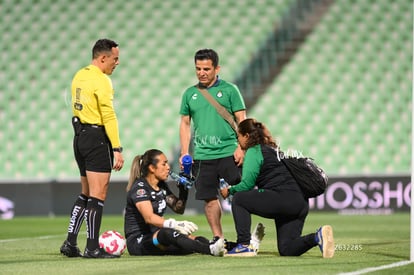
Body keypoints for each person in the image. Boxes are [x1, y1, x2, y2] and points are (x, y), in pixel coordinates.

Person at [220, 118, 335, 258]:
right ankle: (317, 237)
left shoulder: (254, 151)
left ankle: (243, 245)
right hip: (299, 203)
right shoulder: (273, 149)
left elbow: (247, 185)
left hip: (282, 198)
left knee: (239, 199)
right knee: (287, 249)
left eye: (238, 136)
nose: (238, 141)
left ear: (247, 136)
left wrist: (229, 190)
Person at [60, 38, 125, 258]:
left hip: (79, 136)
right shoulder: (102, 81)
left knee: (85, 194)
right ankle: (92, 247)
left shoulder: (80, 75)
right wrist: (116, 148)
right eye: (115, 59)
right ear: (103, 57)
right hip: (96, 137)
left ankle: (70, 243)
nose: (117, 63)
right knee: (98, 195)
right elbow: (108, 115)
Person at [179, 48, 246, 241]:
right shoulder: (189, 94)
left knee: (240, 196)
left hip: (229, 152)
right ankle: (219, 239)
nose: (202, 72)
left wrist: (241, 147)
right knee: (208, 199)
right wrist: (185, 152)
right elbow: (185, 123)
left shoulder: (230, 90)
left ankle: (244, 239)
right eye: (198, 68)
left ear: (217, 68)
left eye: (206, 68)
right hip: (202, 156)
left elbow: (242, 119)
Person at [124, 149, 225, 257]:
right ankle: (210, 250)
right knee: (168, 233)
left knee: (192, 239)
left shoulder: (161, 186)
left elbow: (178, 208)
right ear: (152, 168)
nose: (168, 167)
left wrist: (183, 190)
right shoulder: (140, 189)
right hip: (139, 241)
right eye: (164, 164)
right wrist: (174, 224)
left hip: (158, 238)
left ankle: (219, 246)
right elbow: (149, 218)